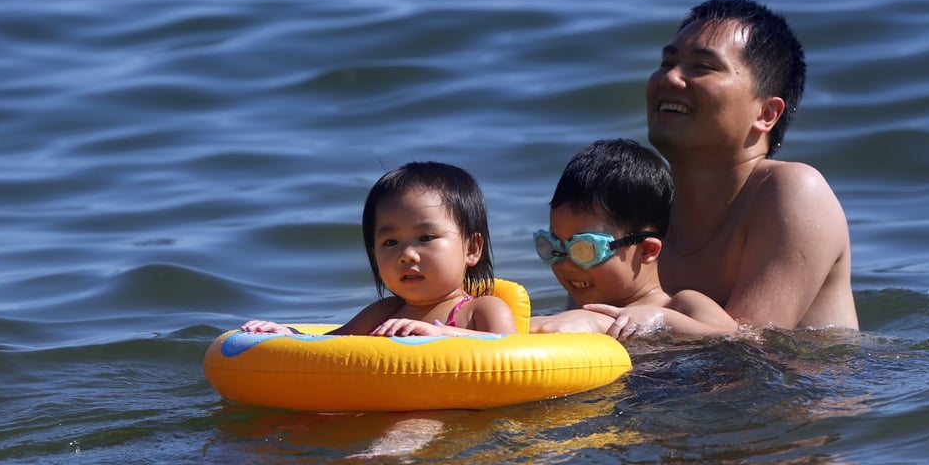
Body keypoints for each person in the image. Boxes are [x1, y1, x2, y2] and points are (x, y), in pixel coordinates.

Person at [589, 0, 858, 336]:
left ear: (766, 114)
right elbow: (584, 317)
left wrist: (659, 322)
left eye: (702, 67)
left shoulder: (793, 192)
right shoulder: (635, 205)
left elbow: (749, 351)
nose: (669, 78)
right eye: (666, 63)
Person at [241, 161, 516, 337]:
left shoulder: (481, 310)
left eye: (426, 237)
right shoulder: (381, 313)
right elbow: (326, 346)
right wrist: (287, 334)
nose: (407, 254)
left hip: (448, 412)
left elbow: (508, 352)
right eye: (390, 243)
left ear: (472, 248)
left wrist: (444, 335)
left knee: (414, 427)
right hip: (384, 404)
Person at [529, 138, 739, 338]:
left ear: (647, 249)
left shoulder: (679, 305)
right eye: (554, 248)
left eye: (584, 250)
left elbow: (738, 338)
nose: (567, 264)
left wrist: (661, 320)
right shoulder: (576, 301)